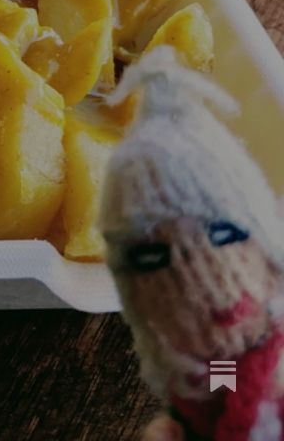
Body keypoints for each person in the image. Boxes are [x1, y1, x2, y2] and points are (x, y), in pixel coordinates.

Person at [100, 47, 284, 441]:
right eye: (152, 259)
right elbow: (221, 385)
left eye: (225, 235)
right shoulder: (219, 370)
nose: (207, 279)